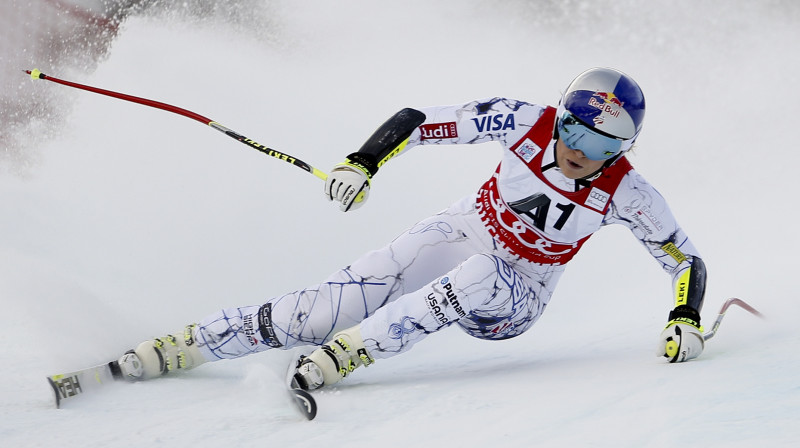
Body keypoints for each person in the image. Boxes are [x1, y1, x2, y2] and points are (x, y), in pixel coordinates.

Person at [116, 67, 707, 391]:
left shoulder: (630, 193)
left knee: (481, 273)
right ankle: (189, 345)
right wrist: (363, 161)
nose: (582, 151)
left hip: (520, 292)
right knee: (327, 307)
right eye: (575, 131)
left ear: (626, 147)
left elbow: (685, 261)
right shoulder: (525, 121)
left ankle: (350, 356)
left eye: (605, 143)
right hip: (464, 229)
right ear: (561, 116)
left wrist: (685, 318)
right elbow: (421, 123)